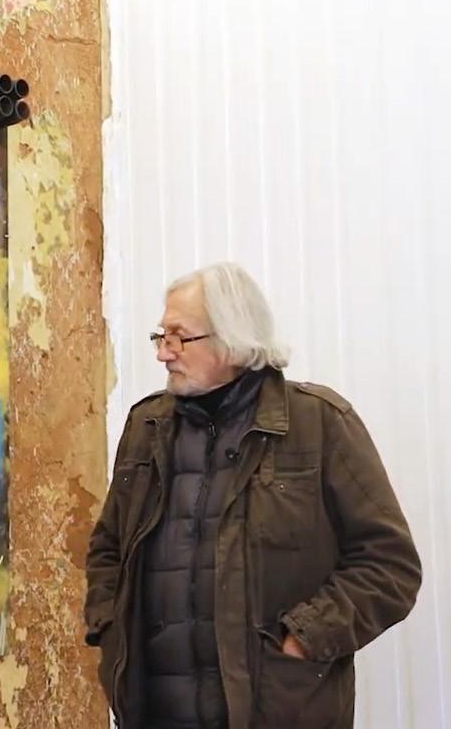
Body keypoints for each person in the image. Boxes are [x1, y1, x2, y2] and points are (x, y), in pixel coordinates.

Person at [83, 262, 421, 728]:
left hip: (279, 712)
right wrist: (109, 628)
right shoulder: (147, 426)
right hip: (155, 713)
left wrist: (303, 637)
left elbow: (389, 565)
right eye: (160, 336)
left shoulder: (319, 423)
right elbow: (108, 547)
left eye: (179, 337)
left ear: (233, 339)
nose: (163, 353)